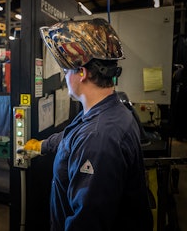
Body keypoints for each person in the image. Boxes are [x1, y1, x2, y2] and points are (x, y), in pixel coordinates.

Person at [23, 18, 153, 231]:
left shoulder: (98, 137)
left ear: (81, 73)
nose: (65, 77)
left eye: (66, 71)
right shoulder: (109, 110)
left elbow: (87, 221)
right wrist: (43, 145)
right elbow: (73, 135)